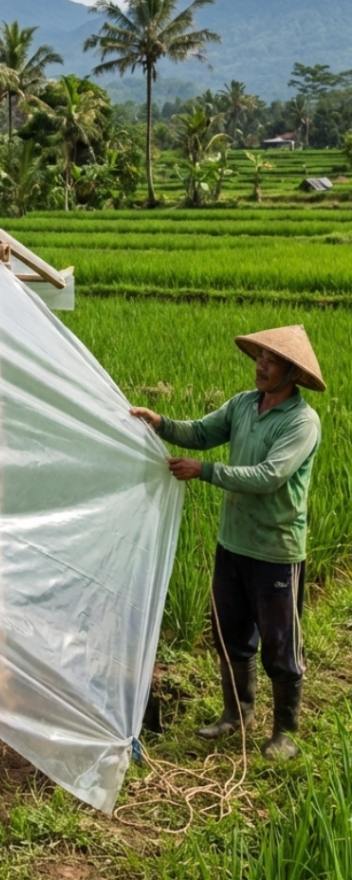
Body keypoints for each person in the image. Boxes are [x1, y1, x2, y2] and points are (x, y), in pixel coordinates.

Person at [130, 325, 324, 761]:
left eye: (271, 361)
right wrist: (158, 422)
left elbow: (270, 476)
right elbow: (200, 433)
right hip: (232, 543)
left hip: (276, 550)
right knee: (231, 634)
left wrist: (205, 471)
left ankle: (285, 733)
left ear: (291, 371)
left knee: (281, 644)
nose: (261, 365)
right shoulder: (243, 405)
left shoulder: (301, 422)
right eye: (259, 357)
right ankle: (237, 714)